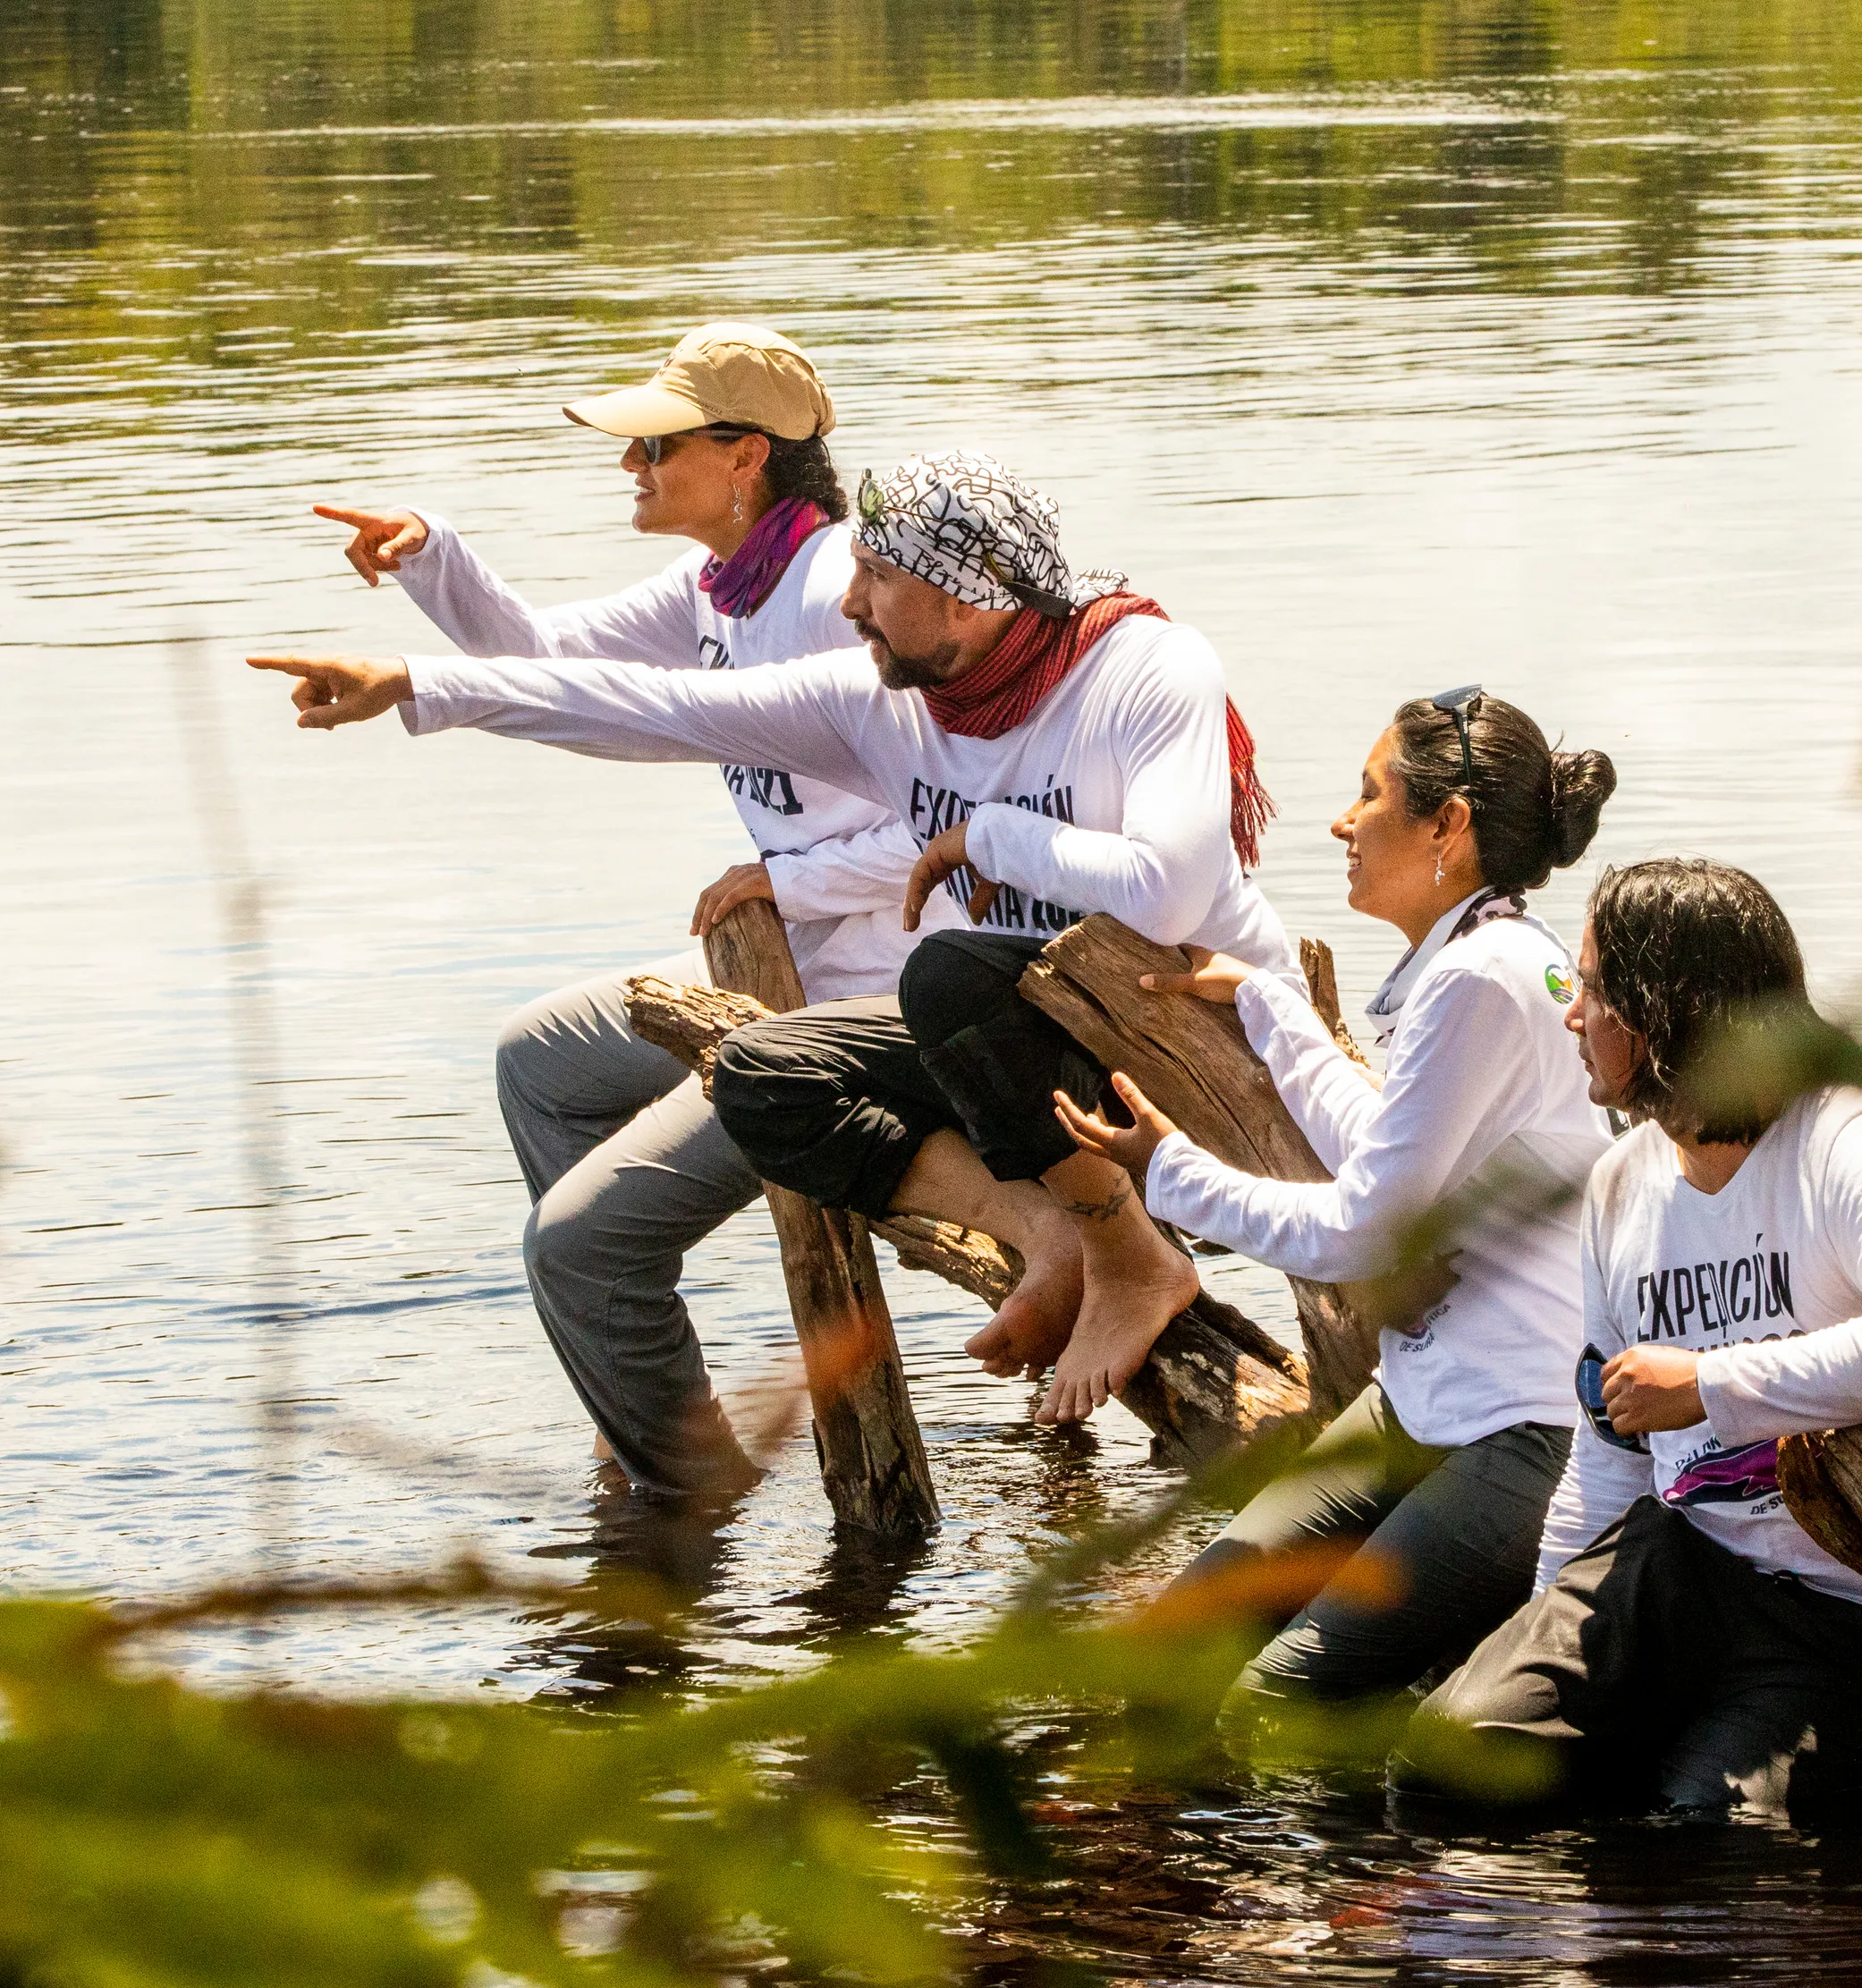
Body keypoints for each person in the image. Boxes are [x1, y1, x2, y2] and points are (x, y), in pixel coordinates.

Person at [253, 453, 1291, 1426]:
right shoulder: (879, 701)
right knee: (760, 1072)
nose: (849, 604)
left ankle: (1126, 1250)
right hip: (1024, 1043)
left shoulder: (1144, 667)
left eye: (876, 578)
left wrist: (995, 836)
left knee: (949, 973)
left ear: (966, 596)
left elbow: (1167, 890)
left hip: (1189, 1045)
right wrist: (419, 684)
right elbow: (660, 707)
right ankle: (1066, 1231)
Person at [309, 321, 939, 1505]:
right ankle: (652, 1412)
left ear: (744, 453)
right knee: (538, 1059)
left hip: (882, 997)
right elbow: (550, 662)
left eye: (654, 448)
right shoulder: (723, 582)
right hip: (791, 965)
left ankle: (678, 1497)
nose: (630, 470)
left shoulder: (840, 594)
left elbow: (954, 819)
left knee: (577, 1247)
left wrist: (795, 880)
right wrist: (432, 557)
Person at [1051, 687, 1617, 1698]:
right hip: (1424, 1406)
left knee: (1269, 1708)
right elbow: (1387, 1146)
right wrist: (1271, 1006)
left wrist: (1170, 1169)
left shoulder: (1483, 978)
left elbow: (1365, 1225)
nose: (1341, 820)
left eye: (1368, 795)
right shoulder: (1484, 958)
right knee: (1167, 1654)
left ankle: (1380, 1858)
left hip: (1519, 1434)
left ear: (1448, 824)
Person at [1426, 859, 1862, 1823]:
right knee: (1453, 1764)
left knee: (1710, 1836)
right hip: (1677, 1567)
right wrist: (1534, 1631)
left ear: (1666, 1014)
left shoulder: (1844, 1143)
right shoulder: (1621, 1184)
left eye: (1594, 991)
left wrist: (1710, 1383)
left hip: (1849, 1609)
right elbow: (1608, 1453)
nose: (1572, 1015)